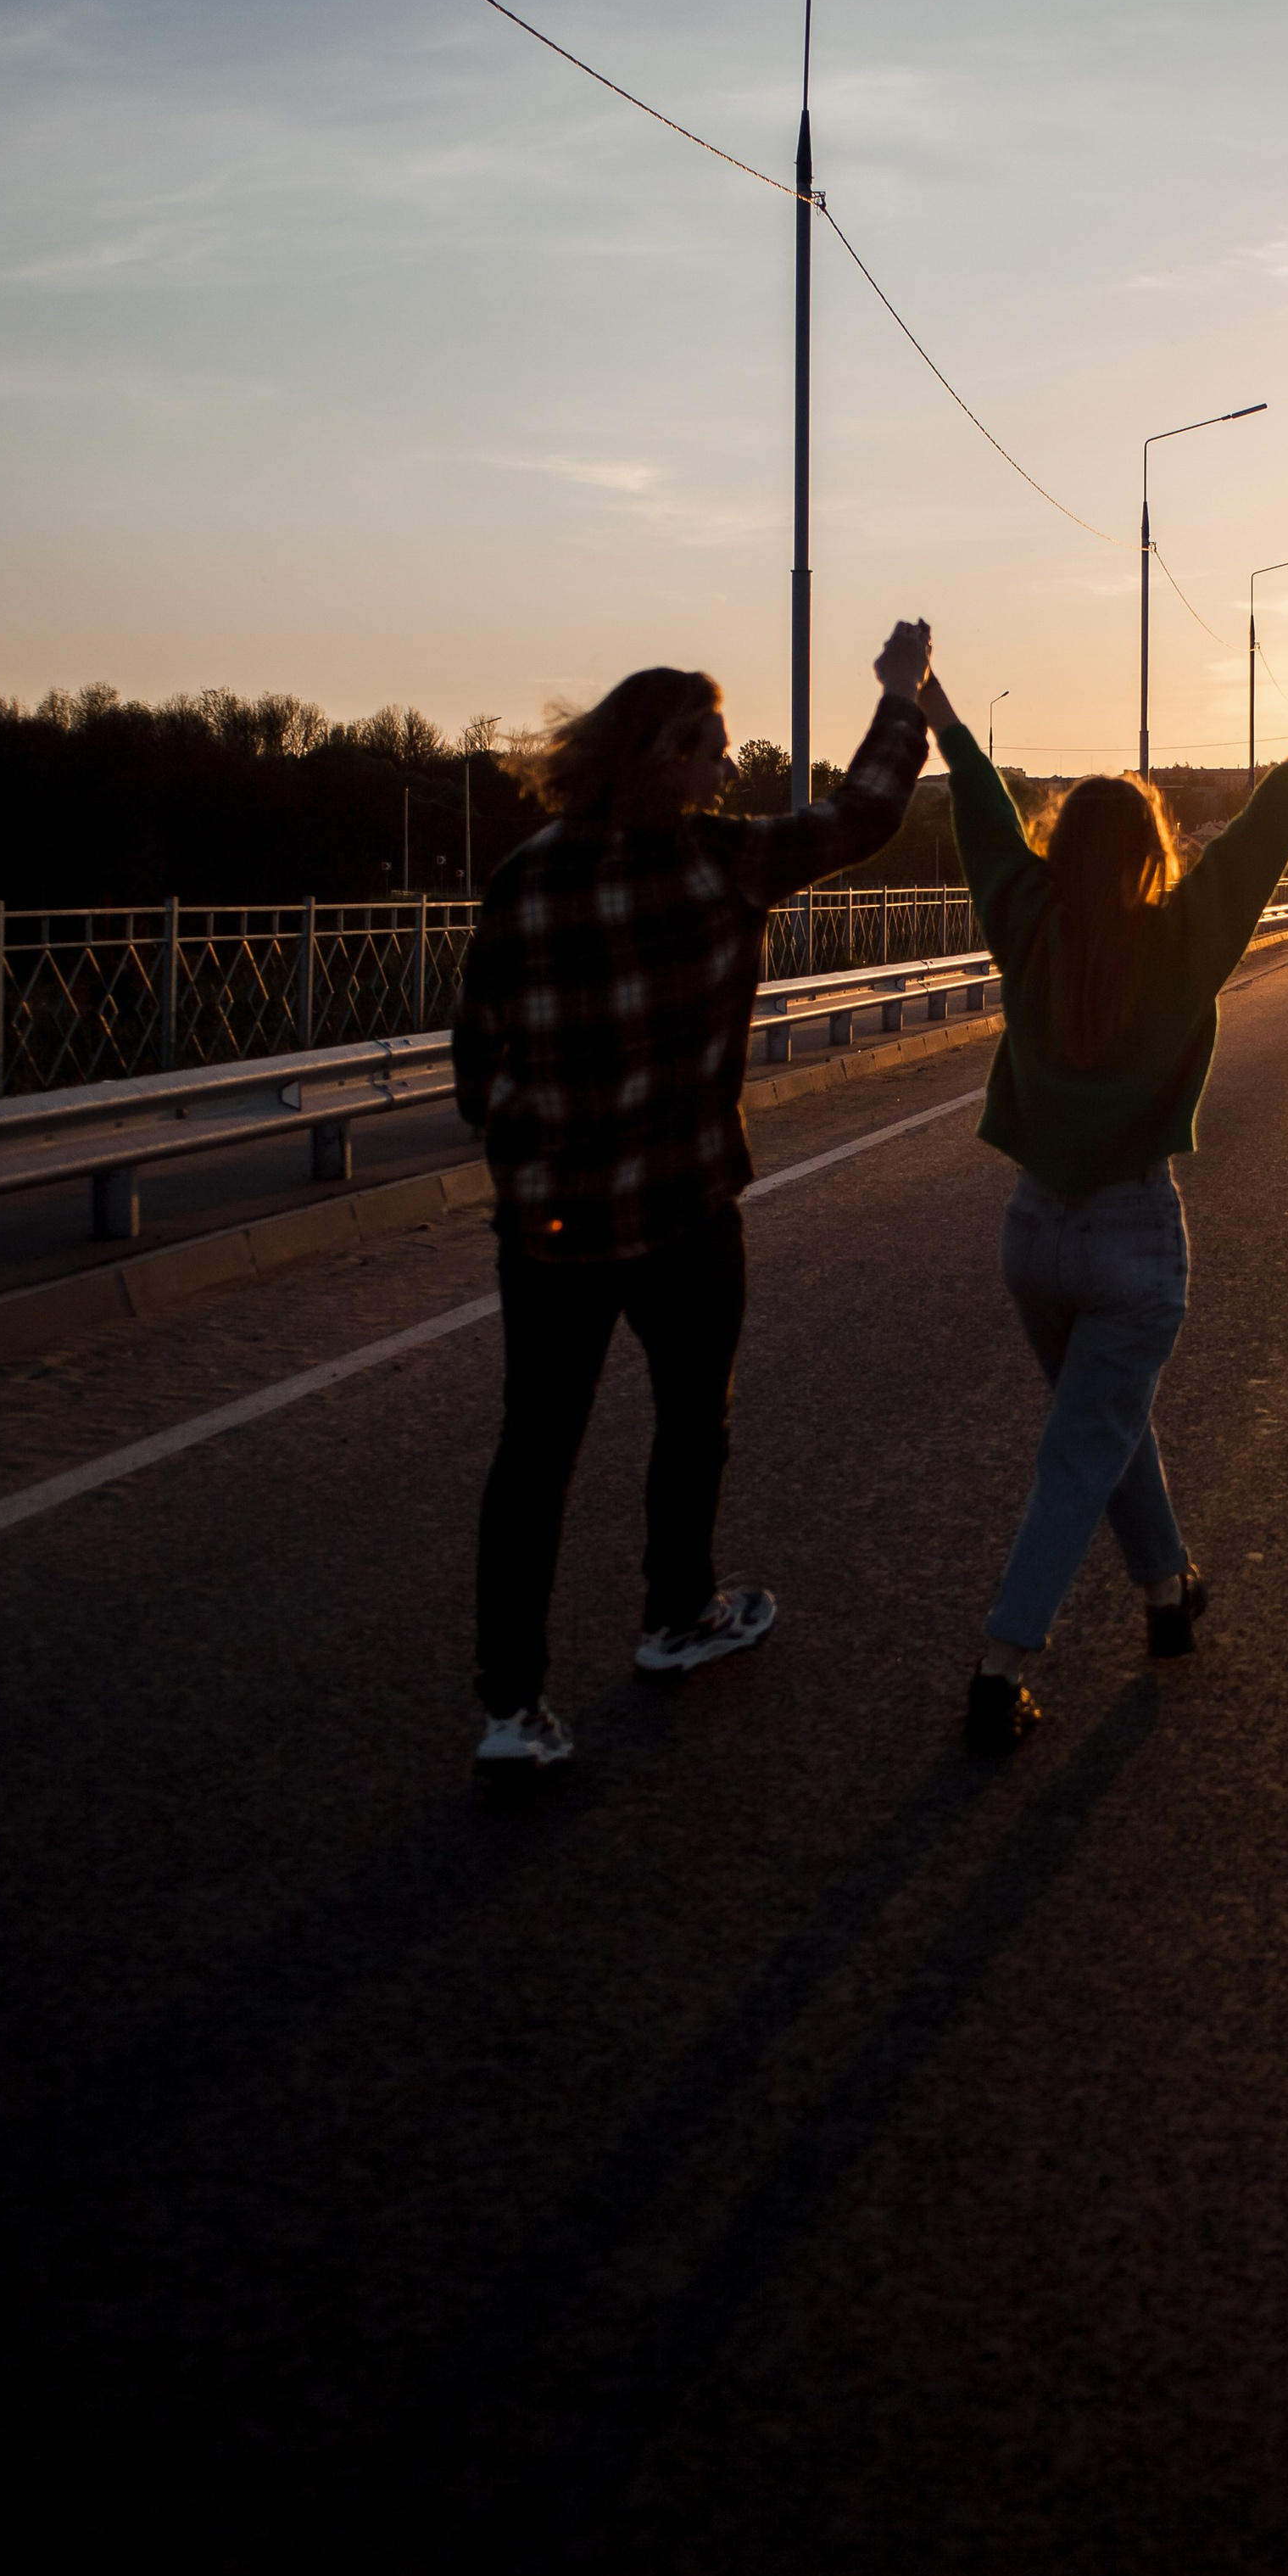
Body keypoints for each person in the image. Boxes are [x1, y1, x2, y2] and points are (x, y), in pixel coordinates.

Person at [454, 620, 936, 1771]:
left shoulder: (522, 876)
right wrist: (900, 695)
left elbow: (477, 1060)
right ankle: (676, 1619)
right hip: (679, 1210)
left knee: (534, 1457)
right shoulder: (719, 859)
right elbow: (862, 815)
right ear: (666, 761)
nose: (731, 771)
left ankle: (510, 1712)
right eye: (716, 753)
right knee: (690, 1420)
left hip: (551, 1224)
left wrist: (535, 1150)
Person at [917, 623, 1288, 1752]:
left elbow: (982, 813)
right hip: (1130, 1238)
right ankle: (1002, 1664)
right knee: (1086, 1444)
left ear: (1059, 852)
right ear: (1149, 856)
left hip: (1032, 1232)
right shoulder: (1186, 938)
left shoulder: (1025, 924)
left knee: (1104, 1424)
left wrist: (933, 699)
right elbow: (1272, 821)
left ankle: (1168, 1592)